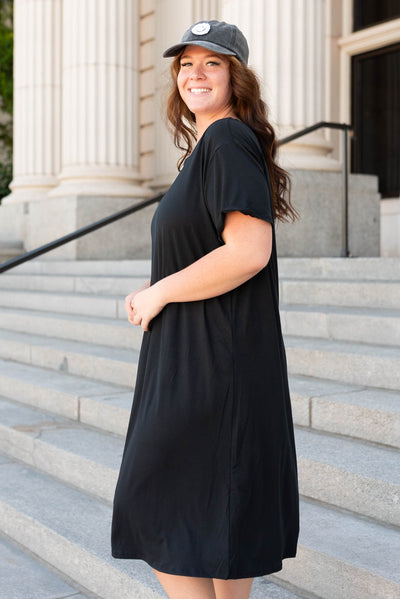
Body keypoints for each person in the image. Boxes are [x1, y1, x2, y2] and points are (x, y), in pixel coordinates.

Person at [111, 19, 299, 599]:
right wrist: (158, 288)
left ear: (235, 76)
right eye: (186, 63)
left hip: (212, 363)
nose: (196, 73)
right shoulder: (207, 149)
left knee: (154, 500)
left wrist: (160, 291)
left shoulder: (227, 139)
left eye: (212, 63)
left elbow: (248, 252)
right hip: (199, 353)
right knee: (214, 509)